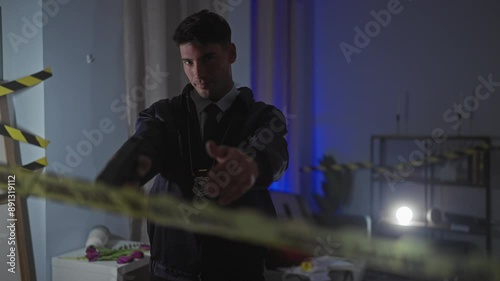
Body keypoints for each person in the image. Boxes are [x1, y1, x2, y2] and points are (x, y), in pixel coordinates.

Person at [98, 9, 288, 281]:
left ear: (230, 53)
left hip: (239, 271)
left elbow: (273, 153)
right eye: (188, 62)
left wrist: (253, 167)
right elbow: (146, 142)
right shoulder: (163, 115)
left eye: (208, 58)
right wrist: (126, 169)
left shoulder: (263, 117)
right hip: (171, 272)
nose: (198, 73)